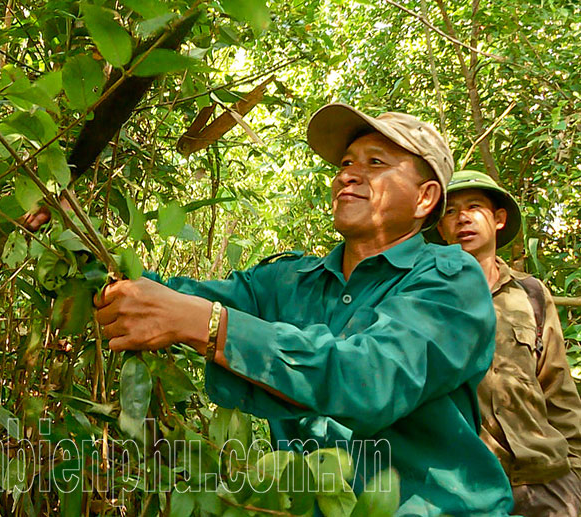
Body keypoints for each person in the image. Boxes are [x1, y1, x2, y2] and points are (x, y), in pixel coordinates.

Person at [94, 104, 513, 515]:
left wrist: (210, 326)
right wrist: (76, 248)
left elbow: (373, 378)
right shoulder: (289, 282)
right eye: (346, 162)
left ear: (425, 198)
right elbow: (167, 295)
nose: (348, 174)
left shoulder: (450, 280)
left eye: (376, 162)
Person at [431, 169, 581, 516]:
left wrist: (574, 472)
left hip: (546, 477)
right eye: (450, 212)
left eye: (473, 207)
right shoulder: (427, 297)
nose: (462, 218)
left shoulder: (530, 294)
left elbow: (558, 390)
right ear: (440, 229)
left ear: (498, 219)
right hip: (467, 482)